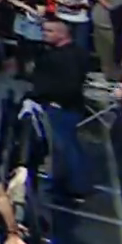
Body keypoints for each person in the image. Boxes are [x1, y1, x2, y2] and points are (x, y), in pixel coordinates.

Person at [31, 16, 90, 201]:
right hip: (61, 105)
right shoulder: (67, 52)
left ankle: (77, 187)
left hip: (62, 106)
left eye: (49, 31)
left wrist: (52, 99)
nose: (44, 34)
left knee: (66, 147)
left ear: (63, 34)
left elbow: (70, 85)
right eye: (44, 30)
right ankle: (62, 182)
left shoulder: (67, 57)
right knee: (59, 148)